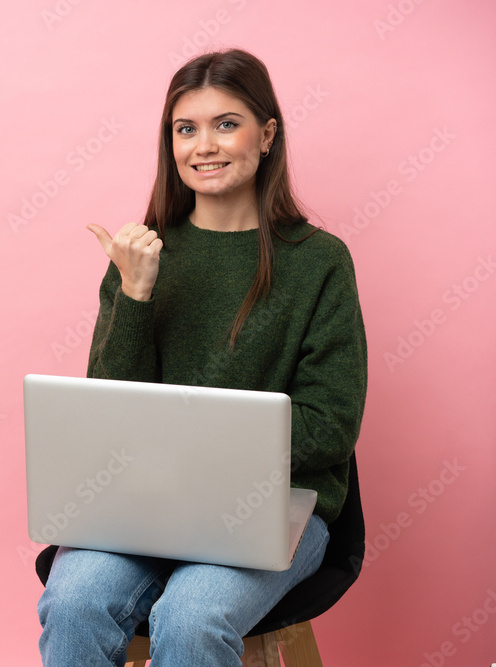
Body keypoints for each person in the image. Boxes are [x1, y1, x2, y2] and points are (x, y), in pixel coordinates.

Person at [35, 48, 368, 666]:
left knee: (193, 616)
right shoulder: (143, 256)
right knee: (74, 601)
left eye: (226, 124)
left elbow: (330, 428)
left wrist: (199, 443)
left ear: (266, 135)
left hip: (271, 506)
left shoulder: (319, 261)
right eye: (185, 129)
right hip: (144, 506)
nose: (203, 146)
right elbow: (111, 417)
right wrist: (135, 294)